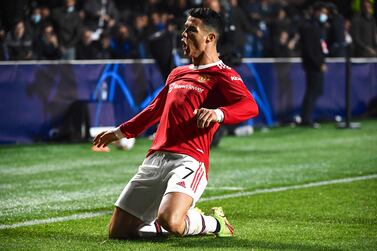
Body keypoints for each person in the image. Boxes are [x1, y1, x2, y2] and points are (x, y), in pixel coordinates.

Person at [93, 8, 258, 239]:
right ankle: (173, 219)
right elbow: (154, 110)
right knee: (119, 232)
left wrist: (218, 113)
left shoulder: (223, 75)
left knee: (172, 220)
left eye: (191, 30)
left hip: (189, 159)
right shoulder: (177, 73)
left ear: (210, 38)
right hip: (155, 158)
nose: (184, 35)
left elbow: (250, 106)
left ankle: (214, 223)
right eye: (184, 29)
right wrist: (120, 132)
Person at [298, 2, 329, 128]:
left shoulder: (319, 27)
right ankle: (306, 118)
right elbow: (309, 50)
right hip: (313, 65)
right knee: (312, 91)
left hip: (317, 64)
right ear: (316, 12)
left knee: (317, 91)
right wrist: (318, 64)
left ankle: (307, 117)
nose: (324, 15)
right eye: (323, 12)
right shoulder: (309, 27)